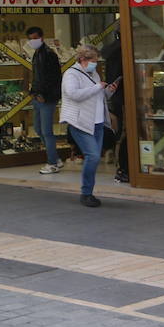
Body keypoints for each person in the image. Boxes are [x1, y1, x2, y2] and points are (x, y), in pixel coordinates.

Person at [61, 43, 119, 208]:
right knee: (93, 156)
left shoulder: (93, 74)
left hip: (98, 122)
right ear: (82, 59)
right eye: (93, 60)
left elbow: (98, 95)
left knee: (93, 157)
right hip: (81, 122)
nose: (95, 63)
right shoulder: (71, 74)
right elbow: (73, 94)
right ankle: (86, 193)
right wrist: (97, 87)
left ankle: (89, 192)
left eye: (96, 60)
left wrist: (109, 91)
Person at [27, 27, 63, 175]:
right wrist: (33, 92)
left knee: (47, 131)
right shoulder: (37, 54)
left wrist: (43, 94)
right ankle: (55, 158)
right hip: (37, 96)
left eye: (35, 38)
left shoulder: (48, 55)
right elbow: (37, 77)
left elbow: (53, 78)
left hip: (46, 98)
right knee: (38, 129)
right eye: (30, 38)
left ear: (41, 38)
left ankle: (52, 163)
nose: (32, 41)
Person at [100, 30, 130, 184]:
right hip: (124, 94)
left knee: (119, 129)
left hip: (114, 94)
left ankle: (115, 157)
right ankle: (123, 167)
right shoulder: (123, 50)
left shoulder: (110, 51)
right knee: (126, 132)